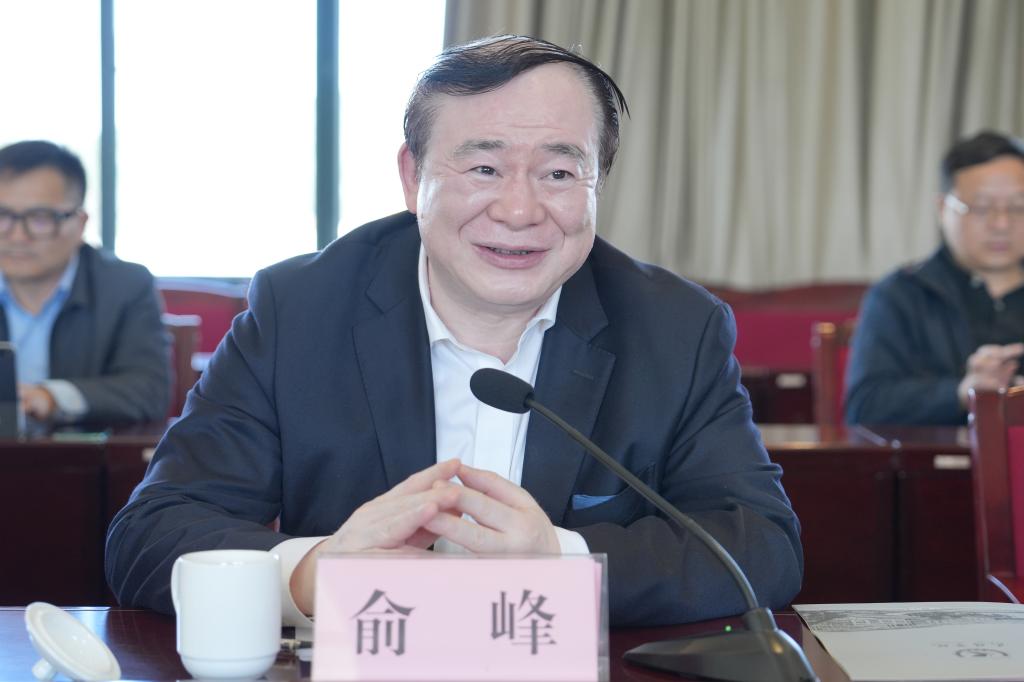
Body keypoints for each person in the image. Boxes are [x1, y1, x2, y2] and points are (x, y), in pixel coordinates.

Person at [106, 35, 802, 627]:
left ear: (597, 184)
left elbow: (762, 547)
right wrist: (319, 573)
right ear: (413, 179)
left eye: (560, 172)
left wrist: (561, 563)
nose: (520, 210)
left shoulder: (674, 327)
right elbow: (151, 534)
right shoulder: (301, 311)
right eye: (484, 168)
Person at [846, 131, 1024, 425]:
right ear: (943, 209)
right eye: (982, 208)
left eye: (1018, 206)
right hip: (942, 454)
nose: (1002, 224)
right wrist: (961, 392)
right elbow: (865, 406)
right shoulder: (901, 295)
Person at [0, 140, 169, 425]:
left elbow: (149, 390)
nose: (17, 236)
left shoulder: (126, 286)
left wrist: (52, 398)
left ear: (80, 224)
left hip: (81, 451)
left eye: (40, 219)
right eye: (3, 216)